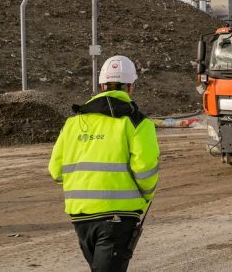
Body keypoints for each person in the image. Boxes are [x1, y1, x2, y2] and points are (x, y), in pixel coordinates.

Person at [49, 55, 160, 272]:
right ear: (131, 87)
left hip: (81, 217)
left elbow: (55, 170)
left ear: (101, 85)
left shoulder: (73, 123)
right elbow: (145, 170)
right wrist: (145, 198)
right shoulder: (138, 122)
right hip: (119, 217)